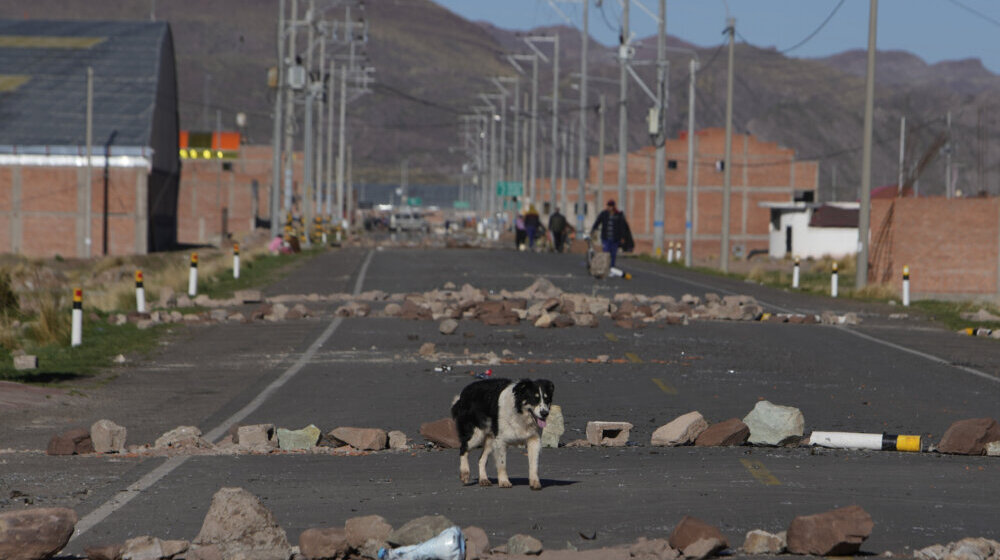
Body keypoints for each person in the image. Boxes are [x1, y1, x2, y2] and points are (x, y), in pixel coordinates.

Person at [590, 199, 633, 269]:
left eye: (610, 206)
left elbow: (623, 227)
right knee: (606, 252)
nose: (609, 207)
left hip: (615, 238)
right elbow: (597, 222)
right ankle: (605, 267)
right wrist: (593, 230)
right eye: (608, 206)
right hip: (605, 238)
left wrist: (623, 237)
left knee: (613, 254)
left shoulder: (619, 215)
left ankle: (612, 267)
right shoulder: (604, 214)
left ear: (613, 207)